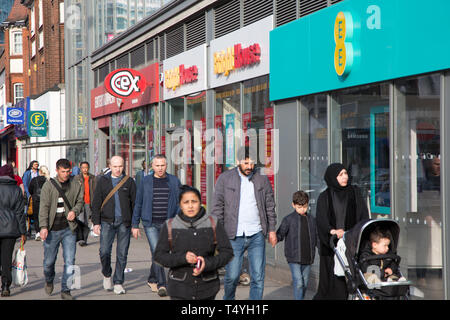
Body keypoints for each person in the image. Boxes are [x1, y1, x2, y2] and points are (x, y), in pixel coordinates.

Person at [210, 146, 277, 300]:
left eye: (252, 163)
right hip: (233, 235)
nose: (249, 167)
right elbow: (217, 207)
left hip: (256, 235)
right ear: (238, 161)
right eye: (246, 163)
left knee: (258, 278)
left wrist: (272, 230)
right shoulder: (225, 179)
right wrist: (216, 232)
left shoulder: (262, 178)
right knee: (232, 277)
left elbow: (270, 206)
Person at [154, 185, 233, 300]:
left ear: (200, 202)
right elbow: (159, 256)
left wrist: (207, 263)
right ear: (180, 204)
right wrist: (182, 258)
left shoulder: (213, 223)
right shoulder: (170, 225)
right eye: (186, 202)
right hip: (179, 288)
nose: (190, 206)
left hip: (207, 287)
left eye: (194, 201)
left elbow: (227, 253)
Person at [314, 163, 369, 300]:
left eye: (345, 173)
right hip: (332, 246)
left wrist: (355, 232)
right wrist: (332, 231)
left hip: (351, 244)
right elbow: (321, 220)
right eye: (340, 175)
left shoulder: (355, 193)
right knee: (331, 283)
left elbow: (363, 215)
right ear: (333, 177)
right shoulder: (324, 197)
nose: (345, 177)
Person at [132, 154, 181, 297]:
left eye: (163, 165)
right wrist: (135, 224)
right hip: (150, 223)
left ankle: (152, 278)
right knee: (158, 252)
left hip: (168, 223)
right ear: (152, 166)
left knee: (161, 253)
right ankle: (162, 284)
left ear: (166, 165)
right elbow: (139, 203)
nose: (160, 168)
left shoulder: (174, 180)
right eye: (157, 165)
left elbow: (179, 202)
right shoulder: (145, 181)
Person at [39, 159, 84, 300]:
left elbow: (80, 201)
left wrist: (75, 211)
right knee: (48, 263)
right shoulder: (48, 185)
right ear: (57, 170)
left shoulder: (76, 184)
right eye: (63, 171)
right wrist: (43, 227)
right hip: (52, 230)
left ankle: (66, 290)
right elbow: (44, 207)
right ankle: (49, 279)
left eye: (68, 171)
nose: (65, 174)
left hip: (68, 230)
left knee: (70, 261)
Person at [92, 155, 136, 295]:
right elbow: (96, 202)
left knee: (122, 254)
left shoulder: (129, 182)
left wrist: (135, 224)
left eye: (120, 166)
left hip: (124, 222)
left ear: (124, 166)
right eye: (115, 166)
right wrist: (96, 222)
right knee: (104, 251)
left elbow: (135, 204)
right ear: (109, 166)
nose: (118, 169)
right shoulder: (102, 181)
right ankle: (106, 274)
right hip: (106, 221)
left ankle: (118, 282)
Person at [276, 191, 316, 300]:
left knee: (304, 283)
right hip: (293, 257)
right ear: (293, 205)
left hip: (308, 257)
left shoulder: (312, 220)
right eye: (299, 207)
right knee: (298, 282)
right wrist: (275, 238)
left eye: (305, 207)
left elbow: (316, 237)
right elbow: (281, 233)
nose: (302, 209)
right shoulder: (288, 220)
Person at [0, 164, 27, 297]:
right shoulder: (16, 190)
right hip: (10, 229)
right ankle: (5, 285)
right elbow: (20, 213)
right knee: (6, 258)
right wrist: (23, 232)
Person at [74, 161, 96, 247]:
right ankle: (81, 239)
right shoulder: (77, 178)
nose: (85, 169)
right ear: (80, 168)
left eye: (86, 167)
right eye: (83, 168)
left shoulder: (93, 178)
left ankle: (84, 239)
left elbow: (95, 190)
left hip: (89, 202)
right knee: (81, 220)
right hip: (80, 202)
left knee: (86, 221)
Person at [29, 165, 50, 241]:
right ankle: (45, 232)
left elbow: (30, 189)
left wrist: (34, 194)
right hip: (46, 201)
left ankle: (38, 232)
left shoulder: (34, 180)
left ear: (40, 172)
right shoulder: (48, 180)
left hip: (36, 200)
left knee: (36, 217)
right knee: (45, 216)